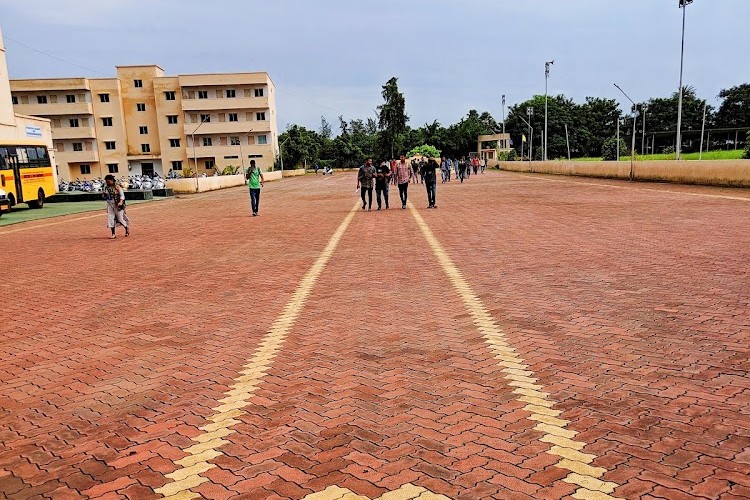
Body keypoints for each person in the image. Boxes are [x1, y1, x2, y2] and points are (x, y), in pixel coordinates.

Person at [103, 174, 128, 239]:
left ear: (112, 180)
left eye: (108, 181)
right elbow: (105, 195)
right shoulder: (106, 187)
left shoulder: (118, 186)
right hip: (110, 204)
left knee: (120, 219)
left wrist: (120, 202)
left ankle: (126, 227)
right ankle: (113, 234)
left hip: (118, 204)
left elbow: (122, 195)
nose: (107, 182)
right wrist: (104, 195)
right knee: (110, 218)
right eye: (106, 181)